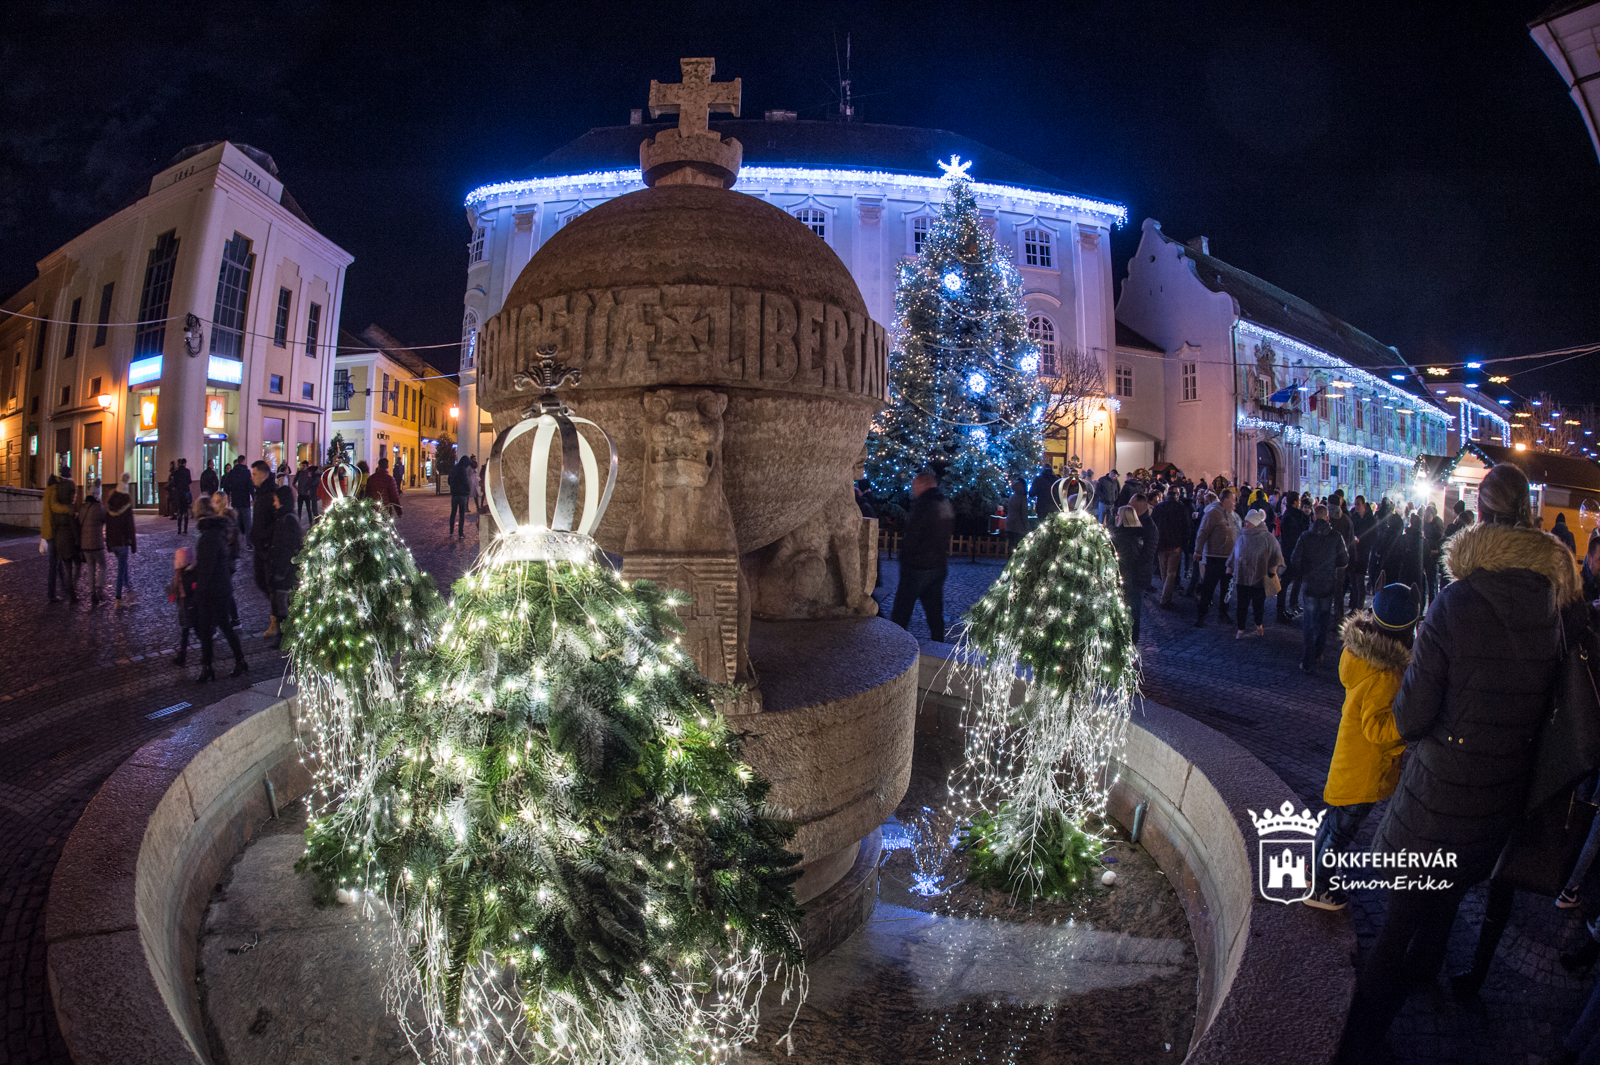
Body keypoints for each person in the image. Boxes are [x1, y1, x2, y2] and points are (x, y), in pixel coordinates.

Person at [1346, 464, 1582, 1054]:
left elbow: (1412, 717)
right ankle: (1427, 979)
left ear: (1478, 513)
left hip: (1441, 795)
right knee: (1447, 895)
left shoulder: (1456, 602)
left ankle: (1358, 1035)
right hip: (1502, 793)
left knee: (1398, 919)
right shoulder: (1547, 604)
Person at [1305, 583, 1421, 911]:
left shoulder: (1359, 656)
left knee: (1332, 823)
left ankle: (1315, 875)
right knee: (1340, 832)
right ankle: (1321, 891)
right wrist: (1406, 724)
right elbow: (1376, 728)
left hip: (1349, 758)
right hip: (1365, 770)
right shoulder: (1387, 675)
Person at [890, 470, 955, 643]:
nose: (913, 488)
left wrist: (905, 556)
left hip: (918, 566)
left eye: (914, 485)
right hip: (938, 564)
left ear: (922, 484)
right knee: (934, 611)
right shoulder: (944, 502)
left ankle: (894, 645)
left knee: (901, 611)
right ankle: (938, 644)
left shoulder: (924, 504)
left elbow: (914, 535)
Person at [192, 497, 246, 682]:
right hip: (220, 588)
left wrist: (199, 591)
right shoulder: (215, 531)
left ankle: (210, 666)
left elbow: (207, 567)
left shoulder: (209, 536)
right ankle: (233, 661)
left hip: (213, 590)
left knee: (212, 628)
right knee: (219, 627)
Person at [1291, 504, 1347, 674]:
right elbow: (1344, 560)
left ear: (1314, 517)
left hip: (1310, 585)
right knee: (1323, 621)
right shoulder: (1336, 537)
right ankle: (1319, 653)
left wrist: (1304, 572)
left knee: (1308, 623)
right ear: (1327, 518)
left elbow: (1295, 559)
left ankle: (1307, 661)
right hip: (1328, 584)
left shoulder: (1305, 536)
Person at [1228, 508, 1283, 638]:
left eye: (1247, 522)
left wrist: (1272, 570)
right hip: (1242, 576)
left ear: (1255, 523)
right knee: (1242, 604)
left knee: (1258, 604)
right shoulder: (1242, 537)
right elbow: (1234, 553)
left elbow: (1276, 554)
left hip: (1260, 577)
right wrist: (1229, 567)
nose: (1245, 524)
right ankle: (1241, 628)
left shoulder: (1268, 538)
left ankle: (1258, 625)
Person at [1193, 488, 1241, 627]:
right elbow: (1203, 532)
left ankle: (1223, 612)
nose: (1235, 503)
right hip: (1215, 557)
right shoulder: (1213, 513)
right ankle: (1202, 615)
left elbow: (1239, 533)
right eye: (1233, 500)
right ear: (1225, 500)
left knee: (1227, 588)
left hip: (1230, 559)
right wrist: (1198, 551)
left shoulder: (1235, 516)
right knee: (1208, 587)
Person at [1113, 504, 1157, 645]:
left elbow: (1126, 563)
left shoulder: (1124, 538)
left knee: (1130, 613)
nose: (1115, 517)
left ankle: (1128, 644)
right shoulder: (1139, 534)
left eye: (1118, 515)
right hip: (1136, 581)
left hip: (1128, 582)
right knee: (1133, 613)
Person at [266, 485, 302, 651]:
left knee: (284, 605)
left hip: (286, 571)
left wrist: (282, 570)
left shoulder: (288, 520)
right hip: (281, 569)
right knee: (280, 604)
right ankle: (283, 637)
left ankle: (287, 638)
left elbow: (289, 547)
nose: (273, 503)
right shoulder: (282, 518)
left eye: (275, 500)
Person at [249, 461, 280, 635]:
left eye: (254, 474)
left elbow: (275, 521)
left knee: (270, 585)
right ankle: (279, 617)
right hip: (260, 547)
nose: (252, 477)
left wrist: (265, 540)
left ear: (263, 474)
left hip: (266, 548)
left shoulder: (270, 493)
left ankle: (278, 620)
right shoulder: (261, 492)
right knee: (261, 581)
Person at [1152, 486, 1192, 610]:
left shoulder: (1158, 507)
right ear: (1176, 496)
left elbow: (1153, 524)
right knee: (1171, 573)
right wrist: (1183, 542)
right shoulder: (1181, 508)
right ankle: (1165, 598)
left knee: (1164, 572)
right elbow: (1187, 527)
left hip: (1161, 544)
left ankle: (1166, 595)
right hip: (1175, 544)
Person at [1277, 493, 1310, 622]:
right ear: (1296, 502)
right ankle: (1281, 611)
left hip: (1288, 552)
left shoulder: (1288, 514)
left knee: (1288, 582)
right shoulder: (1293, 515)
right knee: (1285, 583)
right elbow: (1300, 533)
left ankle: (1284, 609)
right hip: (1291, 553)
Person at [105, 476, 137, 601]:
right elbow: (131, 527)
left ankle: (128, 588)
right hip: (123, 542)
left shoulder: (110, 505)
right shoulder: (127, 505)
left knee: (123, 565)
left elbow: (108, 526)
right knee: (121, 569)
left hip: (113, 542)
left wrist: (108, 543)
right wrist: (133, 545)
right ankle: (118, 598)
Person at [49, 480, 80, 603]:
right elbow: (73, 527)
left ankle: (69, 588)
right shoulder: (68, 509)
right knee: (76, 565)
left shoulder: (57, 509)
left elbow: (54, 526)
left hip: (59, 540)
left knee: (66, 567)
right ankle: (72, 590)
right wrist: (77, 540)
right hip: (69, 541)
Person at [77, 483, 109, 605]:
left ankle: (92, 592)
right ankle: (100, 588)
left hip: (84, 545)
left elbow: (80, 521)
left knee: (91, 567)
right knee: (102, 565)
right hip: (97, 543)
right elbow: (105, 518)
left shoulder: (82, 508)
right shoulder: (99, 508)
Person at [168, 542, 197, 666]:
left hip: (189, 607)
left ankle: (182, 656)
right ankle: (182, 655)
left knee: (189, 630)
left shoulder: (184, 576)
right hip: (188, 607)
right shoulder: (183, 574)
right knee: (189, 630)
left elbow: (176, 590)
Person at [221, 456, 254, 541]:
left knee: (237, 523)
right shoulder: (247, 472)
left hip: (235, 501)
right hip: (245, 501)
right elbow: (250, 486)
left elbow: (226, 485)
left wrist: (228, 494)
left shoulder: (232, 472)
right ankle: (248, 543)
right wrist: (254, 497)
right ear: (244, 461)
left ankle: (237, 542)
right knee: (247, 523)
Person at [1422, 503, 1446, 604]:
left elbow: (1439, 537)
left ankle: (1433, 604)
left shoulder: (1438, 522)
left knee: (1433, 583)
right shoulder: (1427, 523)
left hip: (1434, 556)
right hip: (1427, 555)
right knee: (1426, 583)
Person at [448, 456, 472, 539]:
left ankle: (451, 532)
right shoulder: (462, 470)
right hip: (462, 495)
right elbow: (465, 481)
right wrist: (468, 490)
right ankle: (460, 533)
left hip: (454, 494)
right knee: (461, 515)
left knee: (453, 513)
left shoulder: (454, 469)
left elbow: (449, 480)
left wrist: (453, 487)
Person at [1004, 477, 1030, 555]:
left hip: (1010, 522)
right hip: (1018, 525)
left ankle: (1009, 560)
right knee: (1018, 545)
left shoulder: (1012, 496)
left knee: (1011, 544)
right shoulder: (1023, 498)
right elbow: (1024, 513)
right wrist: (1026, 526)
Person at [171, 458, 193, 534]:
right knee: (186, 511)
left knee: (180, 511)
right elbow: (190, 481)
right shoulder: (187, 471)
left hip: (179, 494)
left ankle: (179, 529)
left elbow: (174, 483)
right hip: (185, 493)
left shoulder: (176, 472)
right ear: (185, 463)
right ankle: (185, 529)